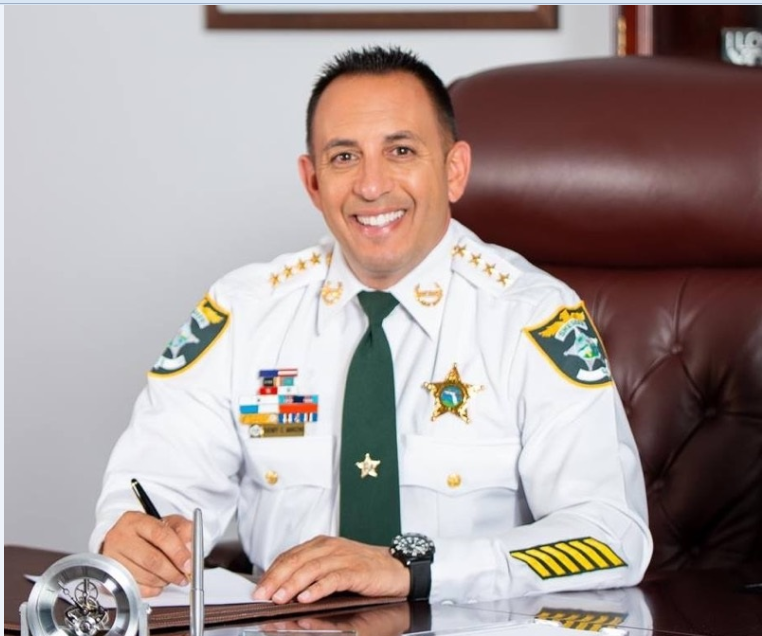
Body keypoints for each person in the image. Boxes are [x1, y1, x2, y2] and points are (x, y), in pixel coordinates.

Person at [91, 46, 652, 604]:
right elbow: (158, 485)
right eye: (343, 157)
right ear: (313, 182)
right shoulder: (245, 312)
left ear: (454, 171)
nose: (371, 185)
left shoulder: (533, 317)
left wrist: (415, 568)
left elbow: (612, 536)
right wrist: (136, 537)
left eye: (401, 151)